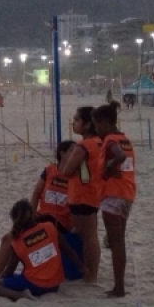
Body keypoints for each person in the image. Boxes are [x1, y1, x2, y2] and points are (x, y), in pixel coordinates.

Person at [0, 200, 82, 302]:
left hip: (36, 284)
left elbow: (9, 271)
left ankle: (20, 295)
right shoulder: (50, 227)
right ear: (33, 214)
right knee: (19, 276)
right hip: (55, 284)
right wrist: (82, 267)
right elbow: (68, 251)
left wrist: (1, 280)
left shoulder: (17, 242)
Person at [93, 101, 136, 298]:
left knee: (116, 241)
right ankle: (119, 284)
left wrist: (108, 167)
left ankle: (119, 287)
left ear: (104, 122)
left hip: (113, 194)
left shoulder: (110, 140)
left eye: (97, 125)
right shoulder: (124, 139)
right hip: (127, 192)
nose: (96, 130)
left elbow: (118, 157)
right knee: (118, 241)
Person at [57, 106, 103, 283]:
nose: (73, 123)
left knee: (88, 237)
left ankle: (91, 274)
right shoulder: (99, 142)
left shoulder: (83, 146)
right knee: (90, 235)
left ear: (87, 124)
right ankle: (92, 272)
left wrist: (64, 157)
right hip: (93, 193)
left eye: (77, 120)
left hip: (82, 195)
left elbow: (66, 171)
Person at [29, 140, 75, 234]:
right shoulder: (49, 170)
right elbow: (36, 194)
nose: (76, 154)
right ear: (62, 154)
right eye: (72, 151)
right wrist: (30, 217)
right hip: (42, 217)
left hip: (62, 223)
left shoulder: (76, 176)